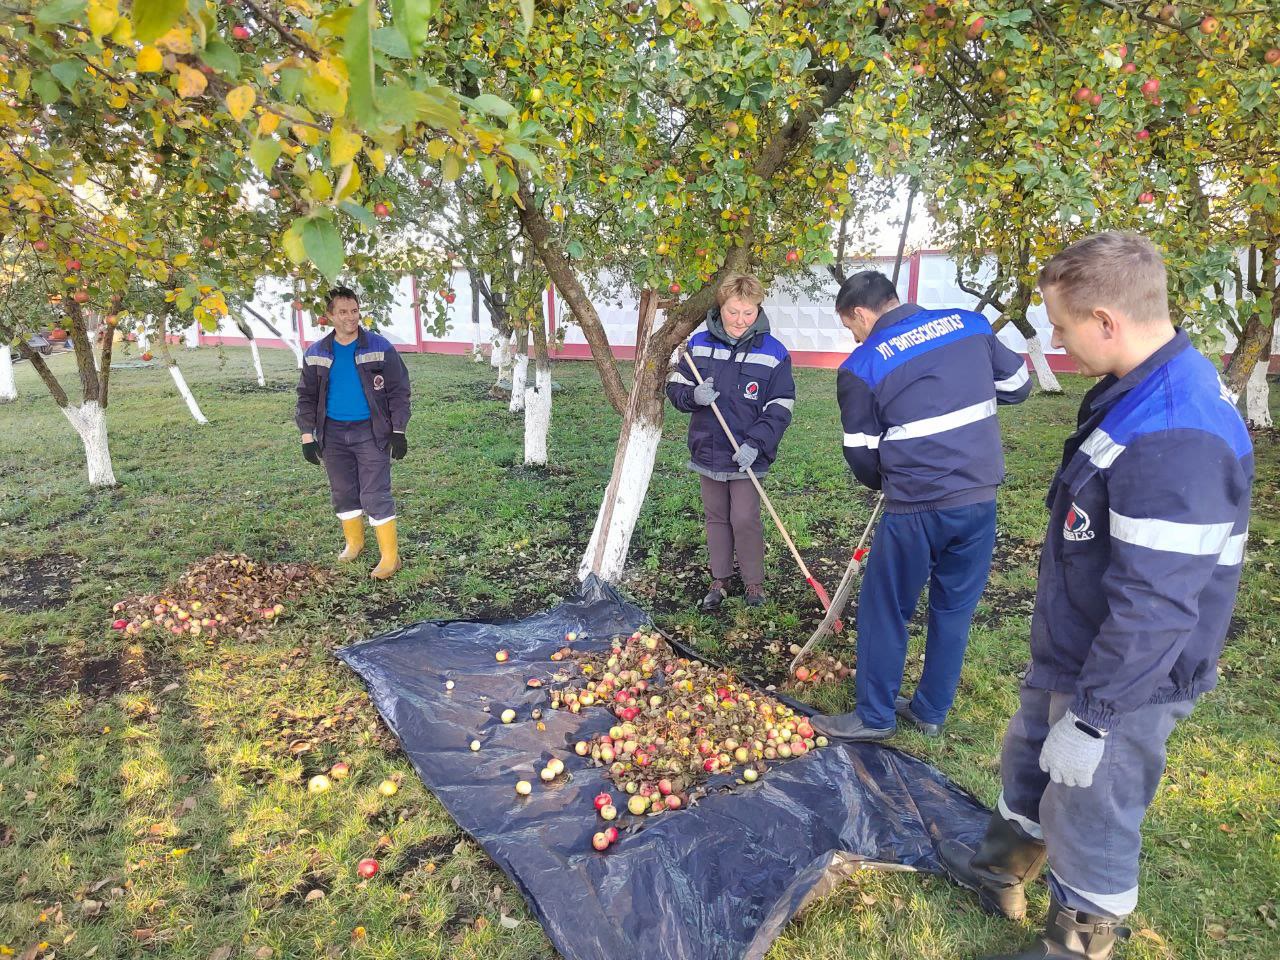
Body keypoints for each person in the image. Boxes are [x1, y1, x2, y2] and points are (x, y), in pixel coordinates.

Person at [940, 232, 1252, 960]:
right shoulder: (1136, 391)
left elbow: (1157, 606)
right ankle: (1000, 871)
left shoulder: (1176, 435)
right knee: (1028, 760)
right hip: (1079, 646)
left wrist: (1096, 717)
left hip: (1127, 677)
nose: (1055, 341)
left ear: (1107, 320)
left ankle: (1079, 943)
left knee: (1092, 804)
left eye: (1061, 325)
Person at [814, 270, 1031, 742]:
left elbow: (862, 456)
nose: (852, 335)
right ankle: (931, 711)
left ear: (860, 313)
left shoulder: (862, 365)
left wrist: (887, 479)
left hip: (914, 508)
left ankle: (874, 716)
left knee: (886, 608)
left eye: (849, 326)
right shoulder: (969, 325)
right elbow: (1017, 386)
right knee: (953, 609)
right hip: (978, 499)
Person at [666, 274, 795, 609]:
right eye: (733, 312)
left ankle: (754, 584)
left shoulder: (773, 352)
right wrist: (693, 394)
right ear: (721, 308)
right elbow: (675, 387)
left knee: (745, 517)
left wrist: (756, 443)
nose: (740, 320)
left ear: (758, 310)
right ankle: (720, 579)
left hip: (747, 453)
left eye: (748, 313)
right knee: (716, 516)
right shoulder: (699, 345)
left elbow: (780, 405)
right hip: (708, 448)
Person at [296, 286, 411, 579]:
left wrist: (398, 430)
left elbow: (399, 390)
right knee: (344, 491)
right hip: (332, 433)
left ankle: (390, 557)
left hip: (371, 432)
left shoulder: (380, 347)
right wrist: (307, 437)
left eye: (355, 311)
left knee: (375, 492)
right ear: (330, 316)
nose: (351, 317)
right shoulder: (317, 352)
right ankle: (355, 543)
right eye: (343, 312)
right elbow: (306, 396)